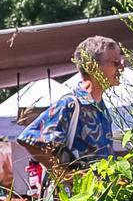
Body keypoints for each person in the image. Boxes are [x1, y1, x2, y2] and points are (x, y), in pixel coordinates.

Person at [17, 35, 123, 180]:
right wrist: (65, 176)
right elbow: (30, 139)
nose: (122, 67)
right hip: (78, 199)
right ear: (92, 67)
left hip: (100, 197)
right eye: (116, 63)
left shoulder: (101, 107)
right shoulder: (71, 104)